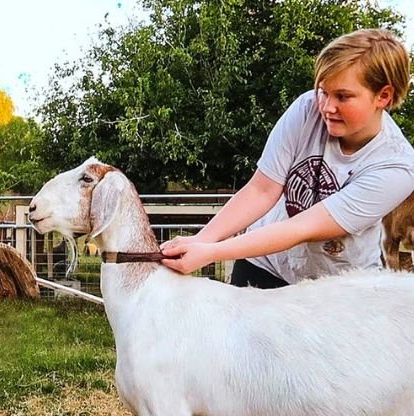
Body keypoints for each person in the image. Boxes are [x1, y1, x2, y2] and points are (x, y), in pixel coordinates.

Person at [161, 28, 414, 288]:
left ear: (383, 96)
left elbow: (302, 227)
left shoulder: (398, 168)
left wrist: (212, 252)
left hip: (335, 285)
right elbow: (262, 189)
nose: (327, 107)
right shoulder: (307, 108)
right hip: (264, 263)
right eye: (323, 91)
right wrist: (201, 241)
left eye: (343, 96)